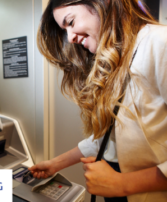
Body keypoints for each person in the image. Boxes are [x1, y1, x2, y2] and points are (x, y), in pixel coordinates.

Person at [28, 0, 167, 201]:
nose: (70, 37)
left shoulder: (160, 43)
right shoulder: (123, 57)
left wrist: (122, 184)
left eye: (71, 22)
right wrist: (55, 164)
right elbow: (113, 137)